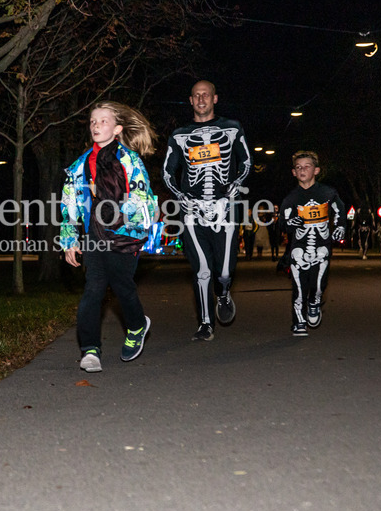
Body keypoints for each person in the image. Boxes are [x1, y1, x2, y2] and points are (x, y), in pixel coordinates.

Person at [61, 101, 158, 373]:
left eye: (103, 121)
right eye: (93, 121)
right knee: (93, 290)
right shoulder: (79, 166)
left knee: (121, 286)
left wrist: (120, 218)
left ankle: (137, 326)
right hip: (94, 235)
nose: (96, 125)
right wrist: (69, 240)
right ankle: (90, 350)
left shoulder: (130, 160)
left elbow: (142, 198)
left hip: (125, 234)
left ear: (117, 129)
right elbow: (69, 205)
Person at [162, 80, 251, 341]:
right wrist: (180, 196)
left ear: (215, 98)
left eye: (206, 95)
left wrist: (235, 185)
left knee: (224, 271)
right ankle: (205, 324)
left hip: (226, 207)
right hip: (193, 210)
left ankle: (223, 293)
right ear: (191, 100)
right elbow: (167, 172)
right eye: (196, 95)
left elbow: (246, 162)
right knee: (202, 270)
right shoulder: (180, 135)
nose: (201, 99)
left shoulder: (232, 128)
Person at [279, 151, 346, 337]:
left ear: (316, 170)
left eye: (307, 166)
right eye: (298, 167)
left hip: (322, 246)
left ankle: (315, 302)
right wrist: (291, 223)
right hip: (299, 247)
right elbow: (282, 223)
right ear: (294, 172)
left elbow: (340, 210)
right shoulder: (291, 198)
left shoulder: (328, 193)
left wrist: (340, 227)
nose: (302, 170)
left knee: (318, 285)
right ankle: (299, 322)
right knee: (299, 287)